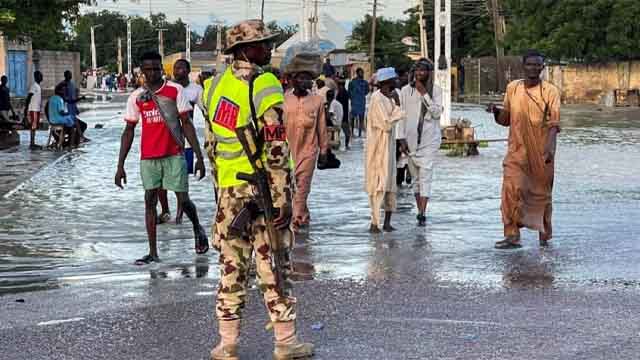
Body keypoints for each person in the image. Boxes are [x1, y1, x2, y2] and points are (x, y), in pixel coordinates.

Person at [201, 19, 314, 360]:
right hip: (261, 191)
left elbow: (212, 148)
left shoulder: (213, 86)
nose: (268, 49)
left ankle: (227, 343)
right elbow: (276, 145)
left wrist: (221, 193)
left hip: (229, 193)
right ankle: (285, 342)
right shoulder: (264, 83)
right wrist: (281, 199)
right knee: (273, 267)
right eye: (263, 44)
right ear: (245, 49)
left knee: (231, 268)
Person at [114, 51, 209, 265]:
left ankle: (197, 227)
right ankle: (153, 252)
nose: (153, 73)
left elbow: (187, 124)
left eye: (156, 68)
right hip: (148, 157)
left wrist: (198, 156)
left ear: (161, 69)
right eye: (148, 69)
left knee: (183, 201)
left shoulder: (175, 91)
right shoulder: (136, 97)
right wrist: (120, 166)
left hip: (174, 154)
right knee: (149, 201)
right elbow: (129, 130)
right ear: (141, 71)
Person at [487, 50, 561, 249]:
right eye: (530, 64)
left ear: (542, 68)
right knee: (511, 189)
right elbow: (505, 119)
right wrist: (496, 112)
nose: (533, 68)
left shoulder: (550, 92)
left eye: (538, 65)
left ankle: (544, 235)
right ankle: (511, 235)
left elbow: (554, 124)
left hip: (542, 152)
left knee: (541, 193)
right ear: (523, 66)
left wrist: (550, 149)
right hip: (516, 151)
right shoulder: (513, 88)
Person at [283, 53, 329, 230]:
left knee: (302, 186)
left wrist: (324, 151)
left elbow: (322, 128)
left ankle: (294, 223)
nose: (304, 82)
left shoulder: (317, 101)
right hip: (287, 150)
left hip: (308, 150)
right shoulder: (284, 100)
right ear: (293, 80)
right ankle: (303, 216)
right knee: (289, 186)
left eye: (307, 79)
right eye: (300, 78)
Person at [157, 59, 204, 224]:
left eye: (182, 68)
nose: (179, 70)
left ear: (189, 70)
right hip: (165, 141)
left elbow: (206, 111)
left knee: (181, 182)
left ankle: (180, 213)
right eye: (176, 68)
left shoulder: (196, 90)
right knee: (160, 180)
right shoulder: (165, 88)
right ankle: (164, 210)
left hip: (186, 143)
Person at [397, 58, 443, 227]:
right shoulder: (404, 91)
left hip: (429, 141)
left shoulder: (436, 91)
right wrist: (400, 138)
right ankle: (419, 210)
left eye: (423, 70)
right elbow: (400, 115)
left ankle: (423, 213)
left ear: (429, 73)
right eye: (417, 70)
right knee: (415, 179)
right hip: (410, 142)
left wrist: (424, 93)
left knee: (426, 177)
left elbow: (437, 113)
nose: (419, 73)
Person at [365, 68, 405, 233]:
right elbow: (385, 124)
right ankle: (375, 223)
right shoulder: (377, 99)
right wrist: (398, 109)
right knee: (377, 185)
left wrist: (397, 105)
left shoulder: (390, 99)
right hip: (377, 148)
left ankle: (387, 222)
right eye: (394, 80)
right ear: (387, 82)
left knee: (390, 185)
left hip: (388, 148)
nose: (397, 82)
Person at [62, 70, 89, 143]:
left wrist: (76, 108)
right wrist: (80, 98)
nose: (70, 76)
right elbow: (68, 100)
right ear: (65, 76)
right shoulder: (64, 85)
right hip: (67, 110)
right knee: (77, 124)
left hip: (72, 110)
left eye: (70, 74)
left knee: (81, 125)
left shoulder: (72, 84)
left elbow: (73, 99)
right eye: (69, 75)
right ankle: (80, 138)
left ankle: (77, 138)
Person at [23, 71, 43, 149]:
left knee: (35, 126)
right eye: (40, 76)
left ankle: (33, 143)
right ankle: (32, 144)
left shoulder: (38, 86)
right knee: (33, 126)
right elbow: (29, 97)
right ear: (36, 77)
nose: (42, 77)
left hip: (37, 109)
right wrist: (26, 108)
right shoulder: (34, 86)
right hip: (33, 109)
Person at [348, 68, 369, 137]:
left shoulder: (365, 82)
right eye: (361, 72)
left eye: (363, 73)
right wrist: (353, 98)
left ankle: (360, 133)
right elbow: (349, 91)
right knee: (352, 118)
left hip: (361, 102)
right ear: (357, 73)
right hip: (354, 102)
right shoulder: (352, 82)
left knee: (361, 118)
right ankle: (352, 132)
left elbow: (367, 91)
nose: (362, 74)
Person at [335, 77, 350, 149]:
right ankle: (346, 146)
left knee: (338, 132)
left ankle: (339, 145)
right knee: (346, 133)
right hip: (344, 116)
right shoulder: (345, 93)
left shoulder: (340, 93)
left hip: (340, 116)